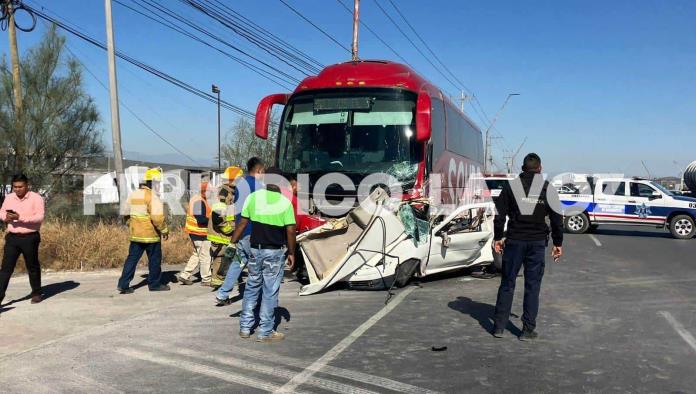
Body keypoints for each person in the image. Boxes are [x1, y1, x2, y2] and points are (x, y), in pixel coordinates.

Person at [491, 153, 563, 340]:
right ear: (540, 168)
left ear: (523, 168)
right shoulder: (547, 189)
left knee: (507, 283)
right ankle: (527, 330)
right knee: (532, 286)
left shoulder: (511, 187)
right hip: (537, 243)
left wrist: (498, 237)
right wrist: (558, 243)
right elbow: (557, 219)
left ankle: (499, 327)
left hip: (514, 241)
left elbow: (499, 215)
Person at [229, 174, 296, 342]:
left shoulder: (253, 198)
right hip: (274, 252)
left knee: (252, 287)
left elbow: (242, 224)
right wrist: (292, 252)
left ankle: (245, 327)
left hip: (254, 250)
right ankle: (265, 331)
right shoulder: (284, 203)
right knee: (269, 291)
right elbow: (290, 230)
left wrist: (232, 243)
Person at [215, 157, 265, 305]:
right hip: (254, 232)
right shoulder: (260, 186)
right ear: (259, 170)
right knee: (258, 267)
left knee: (238, 263)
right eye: (264, 171)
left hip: (241, 231)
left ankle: (222, 294)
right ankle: (256, 299)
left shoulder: (241, 185)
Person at [117, 168, 170, 293]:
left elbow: (125, 212)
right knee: (154, 260)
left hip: (136, 235)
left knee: (132, 259)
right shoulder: (152, 197)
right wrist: (164, 230)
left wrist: (131, 224)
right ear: (153, 182)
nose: (159, 185)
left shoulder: (134, 194)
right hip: (151, 236)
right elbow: (157, 218)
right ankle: (154, 284)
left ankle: (123, 284)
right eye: (158, 183)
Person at [0, 174, 45, 305]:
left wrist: (20, 217)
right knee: (5, 268)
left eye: (20, 186)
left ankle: (36, 292)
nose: (17, 189)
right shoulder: (9, 197)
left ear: (27, 185)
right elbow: (2, 211)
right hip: (12, 238)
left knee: (32, 266)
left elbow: (39, 217)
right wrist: (5, 218)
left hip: (30, 237)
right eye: (15, 187)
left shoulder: (36, 198)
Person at [209, 166, 244, 287]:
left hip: (225, 232)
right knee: (221, 255)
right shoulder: (223, 193)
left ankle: (221, 278)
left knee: (227, 255)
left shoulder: (230, 192)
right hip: (221, 233)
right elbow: (217, 216)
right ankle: (218, 279)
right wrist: (228, 229)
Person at [176, 181, 212, 286]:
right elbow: (201, 219)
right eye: (210, 192)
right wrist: (213, 220)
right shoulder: (199, 201)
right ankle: (206, 279)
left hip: (196, 232)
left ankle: (184, 275)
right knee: (206, 256)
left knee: (197, 254)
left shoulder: (199, 199)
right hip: (199, 233)